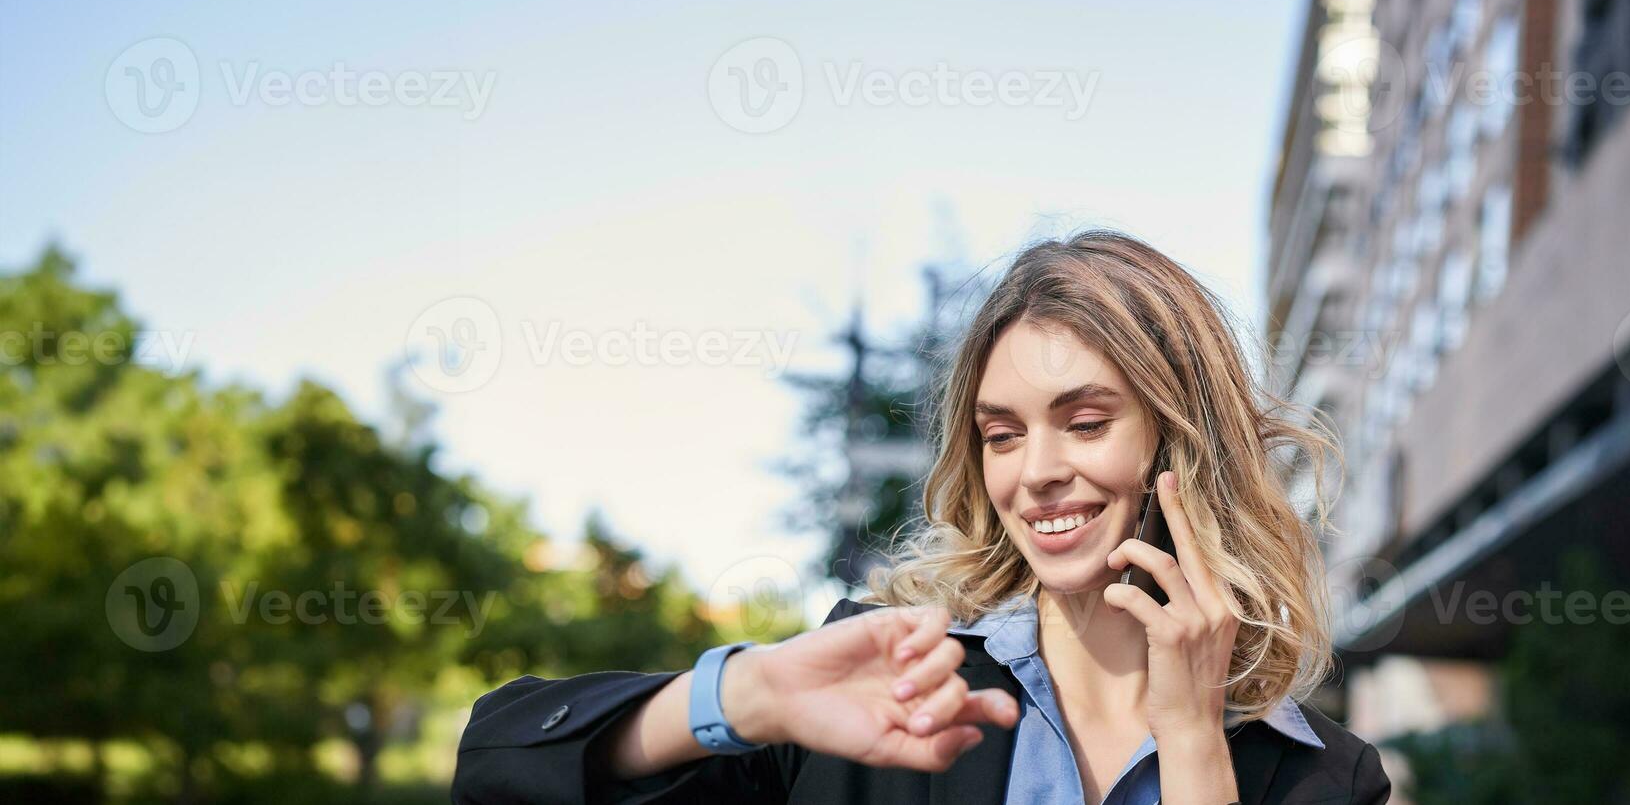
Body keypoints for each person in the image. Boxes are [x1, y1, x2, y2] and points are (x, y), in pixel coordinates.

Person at [453, 231, 1392, 804]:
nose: (1037, 474)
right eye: (1001, 434)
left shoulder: (1328, 780)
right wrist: (744, 697)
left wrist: (1191, 740)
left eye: (1087, 423)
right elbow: (502, 764)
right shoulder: (886, 687)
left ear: (1180, 445)